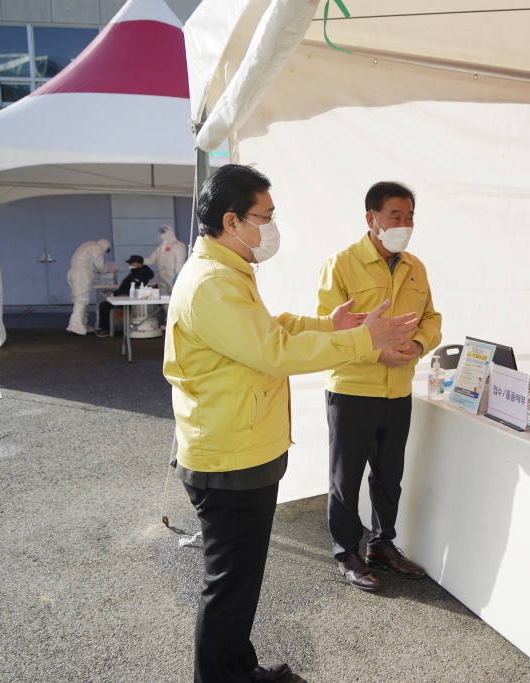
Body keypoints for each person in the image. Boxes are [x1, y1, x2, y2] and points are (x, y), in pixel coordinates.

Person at [163, 165, 417, 683]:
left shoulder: (228, 271)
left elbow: (268, 328)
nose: (272, 228)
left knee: (240, 584)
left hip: (241, 448)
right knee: (229, 585)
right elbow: (273, 351)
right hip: (229, 457)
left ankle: (239, 667)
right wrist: (362, 339)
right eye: (266, 217)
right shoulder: (212, 282)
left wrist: (329, 325)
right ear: (231, 221)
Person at [317, 181, 442, 591]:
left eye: (409, 218)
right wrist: (377, 352)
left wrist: (419, 344)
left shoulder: (415, 267)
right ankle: (347, 553)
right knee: (345, 477)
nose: (404, 225)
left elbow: (431, 319)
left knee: (389, 475)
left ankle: (382, 545)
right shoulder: (341, 264)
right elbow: (327, 332)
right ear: (371, 219)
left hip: (398, 391)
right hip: (353, 390)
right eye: (395, 216)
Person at [94, 255, 153, 338]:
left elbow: (128, 288)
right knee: (105, 305)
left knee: (104, 306)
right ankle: (105, 328)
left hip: (128, 299)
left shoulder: (138, 275)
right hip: (129, 298)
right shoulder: (140, 273)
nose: (129, 265)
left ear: (136, 264)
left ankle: (106, 329)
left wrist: (115, 293)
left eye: (131, 263)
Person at [66, 238, 111, 335]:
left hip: (73, 272)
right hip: (82, 273)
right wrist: (106, 269)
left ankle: (82, 323)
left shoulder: (87, 245)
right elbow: (99, 264)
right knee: (82, 300)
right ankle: (75, 325)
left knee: (78, 299)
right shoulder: (96, 248)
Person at [146, 224, 188, 296]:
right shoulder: (161, 247)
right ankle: (165, 307)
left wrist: (178, 274)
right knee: (163, 297)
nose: (162, 234)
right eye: (161, 232)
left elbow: (180, 261)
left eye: (163, 231)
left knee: (175, 296)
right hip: (161, 276)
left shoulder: (178, 245)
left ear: (170, 232)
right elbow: (151, 260)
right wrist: (139, 261)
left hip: (172, 274)